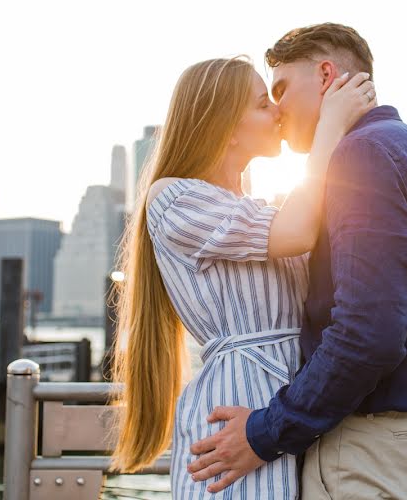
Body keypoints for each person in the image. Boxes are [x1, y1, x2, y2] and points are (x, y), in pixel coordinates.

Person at [187, 23, 407, 499]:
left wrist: (264, 434)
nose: (276, 109)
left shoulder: (361, 155)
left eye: (281, 88)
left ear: (325, 75)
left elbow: (368, 333)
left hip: (376, 449)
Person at [109, 54, 376, 499]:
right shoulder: (174, 198)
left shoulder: (252, 206)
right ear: (226, 126)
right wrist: (330, 124)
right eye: (261, 104)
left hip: (284, 419)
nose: (277, 111)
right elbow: (297, 230)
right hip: (236, 415)